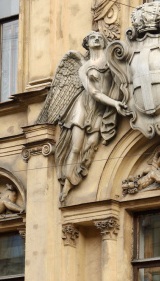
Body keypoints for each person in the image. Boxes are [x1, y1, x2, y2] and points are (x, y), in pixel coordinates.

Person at [54, 31, 127, 201]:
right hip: (84, 106)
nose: (96, 38)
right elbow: (94, 93)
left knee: (93, 143)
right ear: (87, 43)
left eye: (99, 37)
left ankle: (80, 170)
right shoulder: (83, 68)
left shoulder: (111, 60)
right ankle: (67, 184)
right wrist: (115, 104)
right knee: (76, 147)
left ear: (104, 42)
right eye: (92, 37)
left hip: (101, 108)